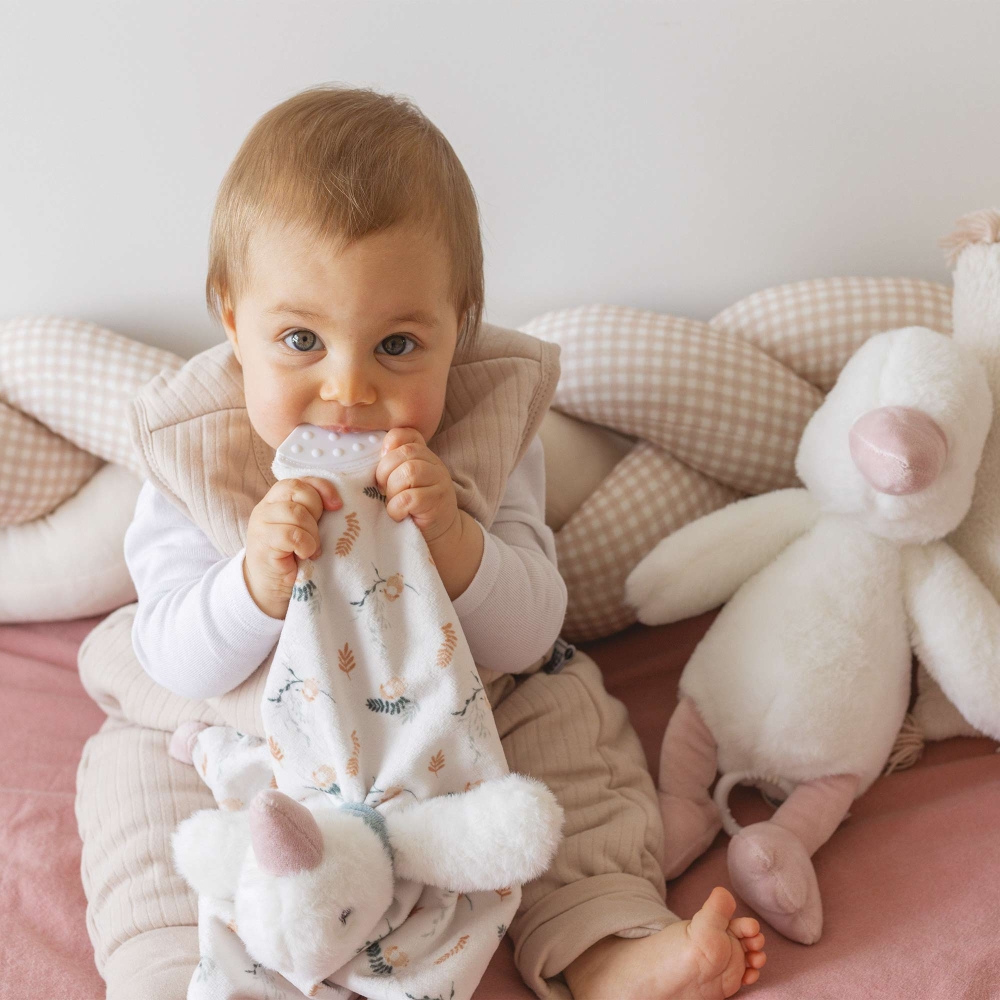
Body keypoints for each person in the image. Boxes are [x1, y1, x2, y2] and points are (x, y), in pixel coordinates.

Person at [77, 84, 765, 1000]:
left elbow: (528, 632)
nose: (349, 389)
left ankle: (604, 938)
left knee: (567, 714)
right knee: (136, 774)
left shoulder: (484, 431)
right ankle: (167, 975)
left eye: (397, 346)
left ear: (458, 328)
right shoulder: (192, 445)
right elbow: (172, 654)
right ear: (233, 319)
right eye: (300, 339)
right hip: (251, 730)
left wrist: (454, 541)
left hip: (455, 710)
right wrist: (251, 583)